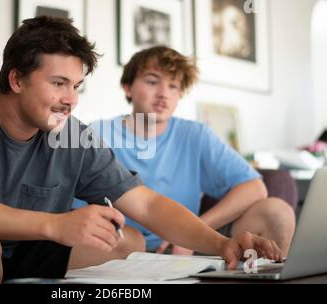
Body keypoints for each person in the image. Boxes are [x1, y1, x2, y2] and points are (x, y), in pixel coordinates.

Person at [0, 17, 282, 284]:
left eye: (76, 86)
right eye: (59, 83)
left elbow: (145, 204)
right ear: (16, 79)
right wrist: (55, 225)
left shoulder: (70, 135)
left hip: (22, 253)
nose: (71, 99)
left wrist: (220, 244)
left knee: (124, 241)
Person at [74, 46, 295, 256]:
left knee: (276, 213)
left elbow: (254, 188)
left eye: (173, 86)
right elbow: (73, 212)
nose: (163, 94)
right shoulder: (96, 133)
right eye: (152, 82)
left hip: (186, 247)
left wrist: (194, 233)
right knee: (128, 241)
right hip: (119, 246)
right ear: (128, 87)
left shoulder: (195, 135)